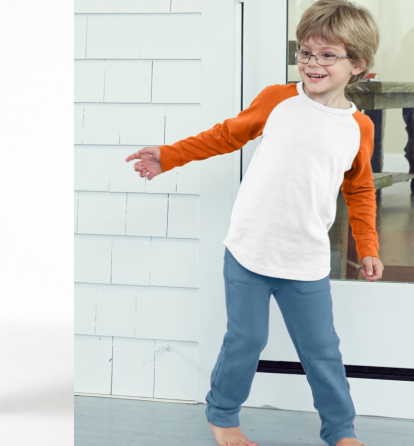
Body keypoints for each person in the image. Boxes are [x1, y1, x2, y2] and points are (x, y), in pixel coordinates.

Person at [126, 1, 384, 445]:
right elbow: (226, 135)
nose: (311, 64)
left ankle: (341, 432)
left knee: (322, 351)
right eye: (305, 53)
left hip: (305, 260)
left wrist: (369, 247)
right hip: (249, 249)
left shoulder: (358, 128)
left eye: (327, 55)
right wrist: (168, 156)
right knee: (246, 340)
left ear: (358, 64)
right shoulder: (278, 99)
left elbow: (359, 191)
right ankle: (223, 417)